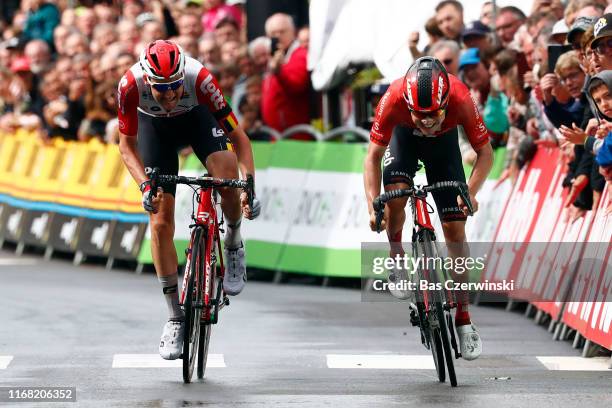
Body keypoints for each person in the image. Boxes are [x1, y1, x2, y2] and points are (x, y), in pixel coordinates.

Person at [117, 40, 261, 360]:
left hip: (197, 120)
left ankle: (233, 241)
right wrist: (144, 186)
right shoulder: (129, 85)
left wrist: (248, 186)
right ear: (147, 81)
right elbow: (126, 145)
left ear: (183, 77)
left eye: (173, 87)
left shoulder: (200, 80)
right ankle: (174, 316)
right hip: (155, 131)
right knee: (159, 221)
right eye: (160, 89)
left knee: (225, 177)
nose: (168, 96)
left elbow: (240, 139)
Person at [364, 57, 493, 361]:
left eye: (433, 113)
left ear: (446, 101)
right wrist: (373, 205)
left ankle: (463, 317)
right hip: (403, 140)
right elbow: (372, 158)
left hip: (443, 147)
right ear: (407, 103)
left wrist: (470, 192)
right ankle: (397, 257)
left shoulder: (461, 97)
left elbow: (485, 154)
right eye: (419, 113)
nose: (426, 120)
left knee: (454, 228)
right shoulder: (394, 97)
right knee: (394, 197)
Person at [261, 13, 310, 136]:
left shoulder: (300, 54)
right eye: (273, 33)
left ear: (293, 32)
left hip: (295, 135)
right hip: (276, 135)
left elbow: (297, 84)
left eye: (282, 32)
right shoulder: (270, 57)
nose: (278, 36)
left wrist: (279, 71)